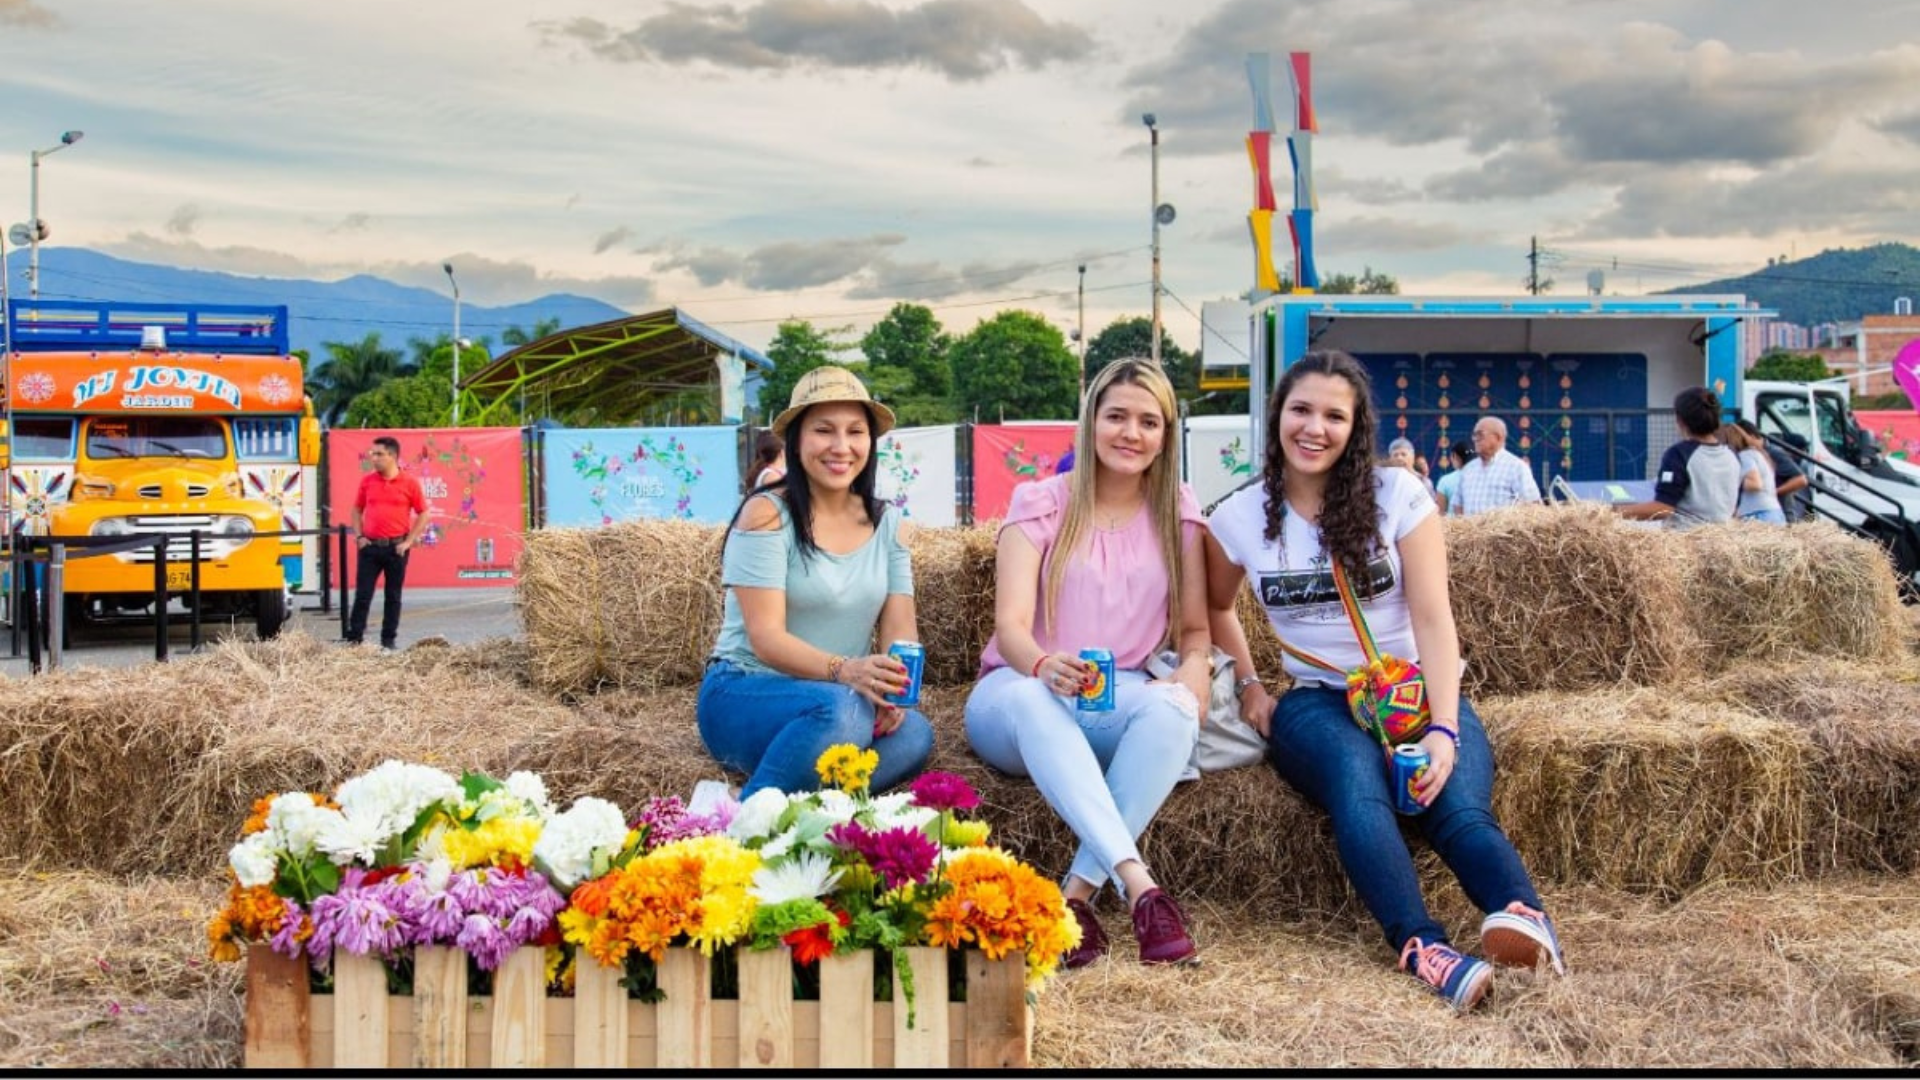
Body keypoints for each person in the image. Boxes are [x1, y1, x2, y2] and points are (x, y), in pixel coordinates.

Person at [1203, 350, 1565, 1012]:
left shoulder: (1398, 495)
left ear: (1356, 427)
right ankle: (1423, 946)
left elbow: (1433, 617)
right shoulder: (1237, 516)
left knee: (1451, 805)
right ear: (1277, 417)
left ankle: (1524, 920)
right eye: (1301, 410)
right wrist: (1252, 685)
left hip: (1411, 692)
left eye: (1333, 416)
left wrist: (1446, 730)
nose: (1314, 428)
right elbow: (1216, 606)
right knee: (1355, 780)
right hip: (1318, 702)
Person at [965, 358, 1208, 968]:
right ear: (1090, 421)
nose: (1131, 433)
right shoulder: (1041, 502)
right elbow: (1010, 628)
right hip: (1016, 694)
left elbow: (1197, 629)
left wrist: (1197, 668)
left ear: (1166, 434)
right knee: (1032, 699)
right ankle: (1141, 886)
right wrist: (1044, 664)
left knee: (1173, 709)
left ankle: (1072, 899)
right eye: (1117, 416)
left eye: (1149, 422)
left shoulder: (1178, 509)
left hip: (1113, 698)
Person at [697, 366, 934, 798]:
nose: (841, 447)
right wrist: (846, 672)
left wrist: (892, 692)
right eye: (824, 430)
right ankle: (743, 822)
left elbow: (901, 635)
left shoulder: (890, 525)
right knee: (842, 714)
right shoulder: (767, 513)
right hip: (746, 689)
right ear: (797, 440)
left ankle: (797, 806)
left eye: (855, 432)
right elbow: (766, 638)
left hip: (840, 700)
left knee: (914, 734)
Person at [346, 436, 431, 649]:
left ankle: (388, 640)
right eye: (372, 454)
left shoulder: (409, 482)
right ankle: (354, 640)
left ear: (392, 456)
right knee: (363, 595)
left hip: (397, 548)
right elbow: (356, 509)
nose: (374, 458)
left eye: (379, 454)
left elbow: (424, 513)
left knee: (393, 596)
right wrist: (359, 537)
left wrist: (408, 542)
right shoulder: (367, 481)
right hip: (370, 547)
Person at [1616, 387, 1740, 529]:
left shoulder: (1679, 454)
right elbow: (1734, 509)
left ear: (1680, 420)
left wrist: (1612, 512)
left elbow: (1663, 508)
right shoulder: (1731, 456)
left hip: (1686, 543)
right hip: (1722, 540)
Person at [1452, 417, 1542, 516]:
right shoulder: (1468, 470)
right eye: (1474, 435)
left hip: (1503, 531)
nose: (1475, 439)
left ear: (1498, 437)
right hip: (1471, 531)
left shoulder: (1516, 468)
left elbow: (1533, 506)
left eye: (1480, 435)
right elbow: (1457, 504)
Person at [1738, 418, 1810, 522]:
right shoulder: (1752, 454)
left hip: (1780, 512)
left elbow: (1801, 480)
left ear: (1751, 437)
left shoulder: (1774, 453)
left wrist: (1774, 492)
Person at [1724, 423, 1786, 524]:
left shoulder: (1745, 456)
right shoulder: (1759, 454)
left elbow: (1755, 484)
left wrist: (1729, 481)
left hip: (1758, 515)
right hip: (1773, 512)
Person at [1433, 440, 1471, 517]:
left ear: (1454, 456)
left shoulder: (1445, 481)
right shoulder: (1479, 478)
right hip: (1477, 525)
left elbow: (1441, 513)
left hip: (1452, 527)